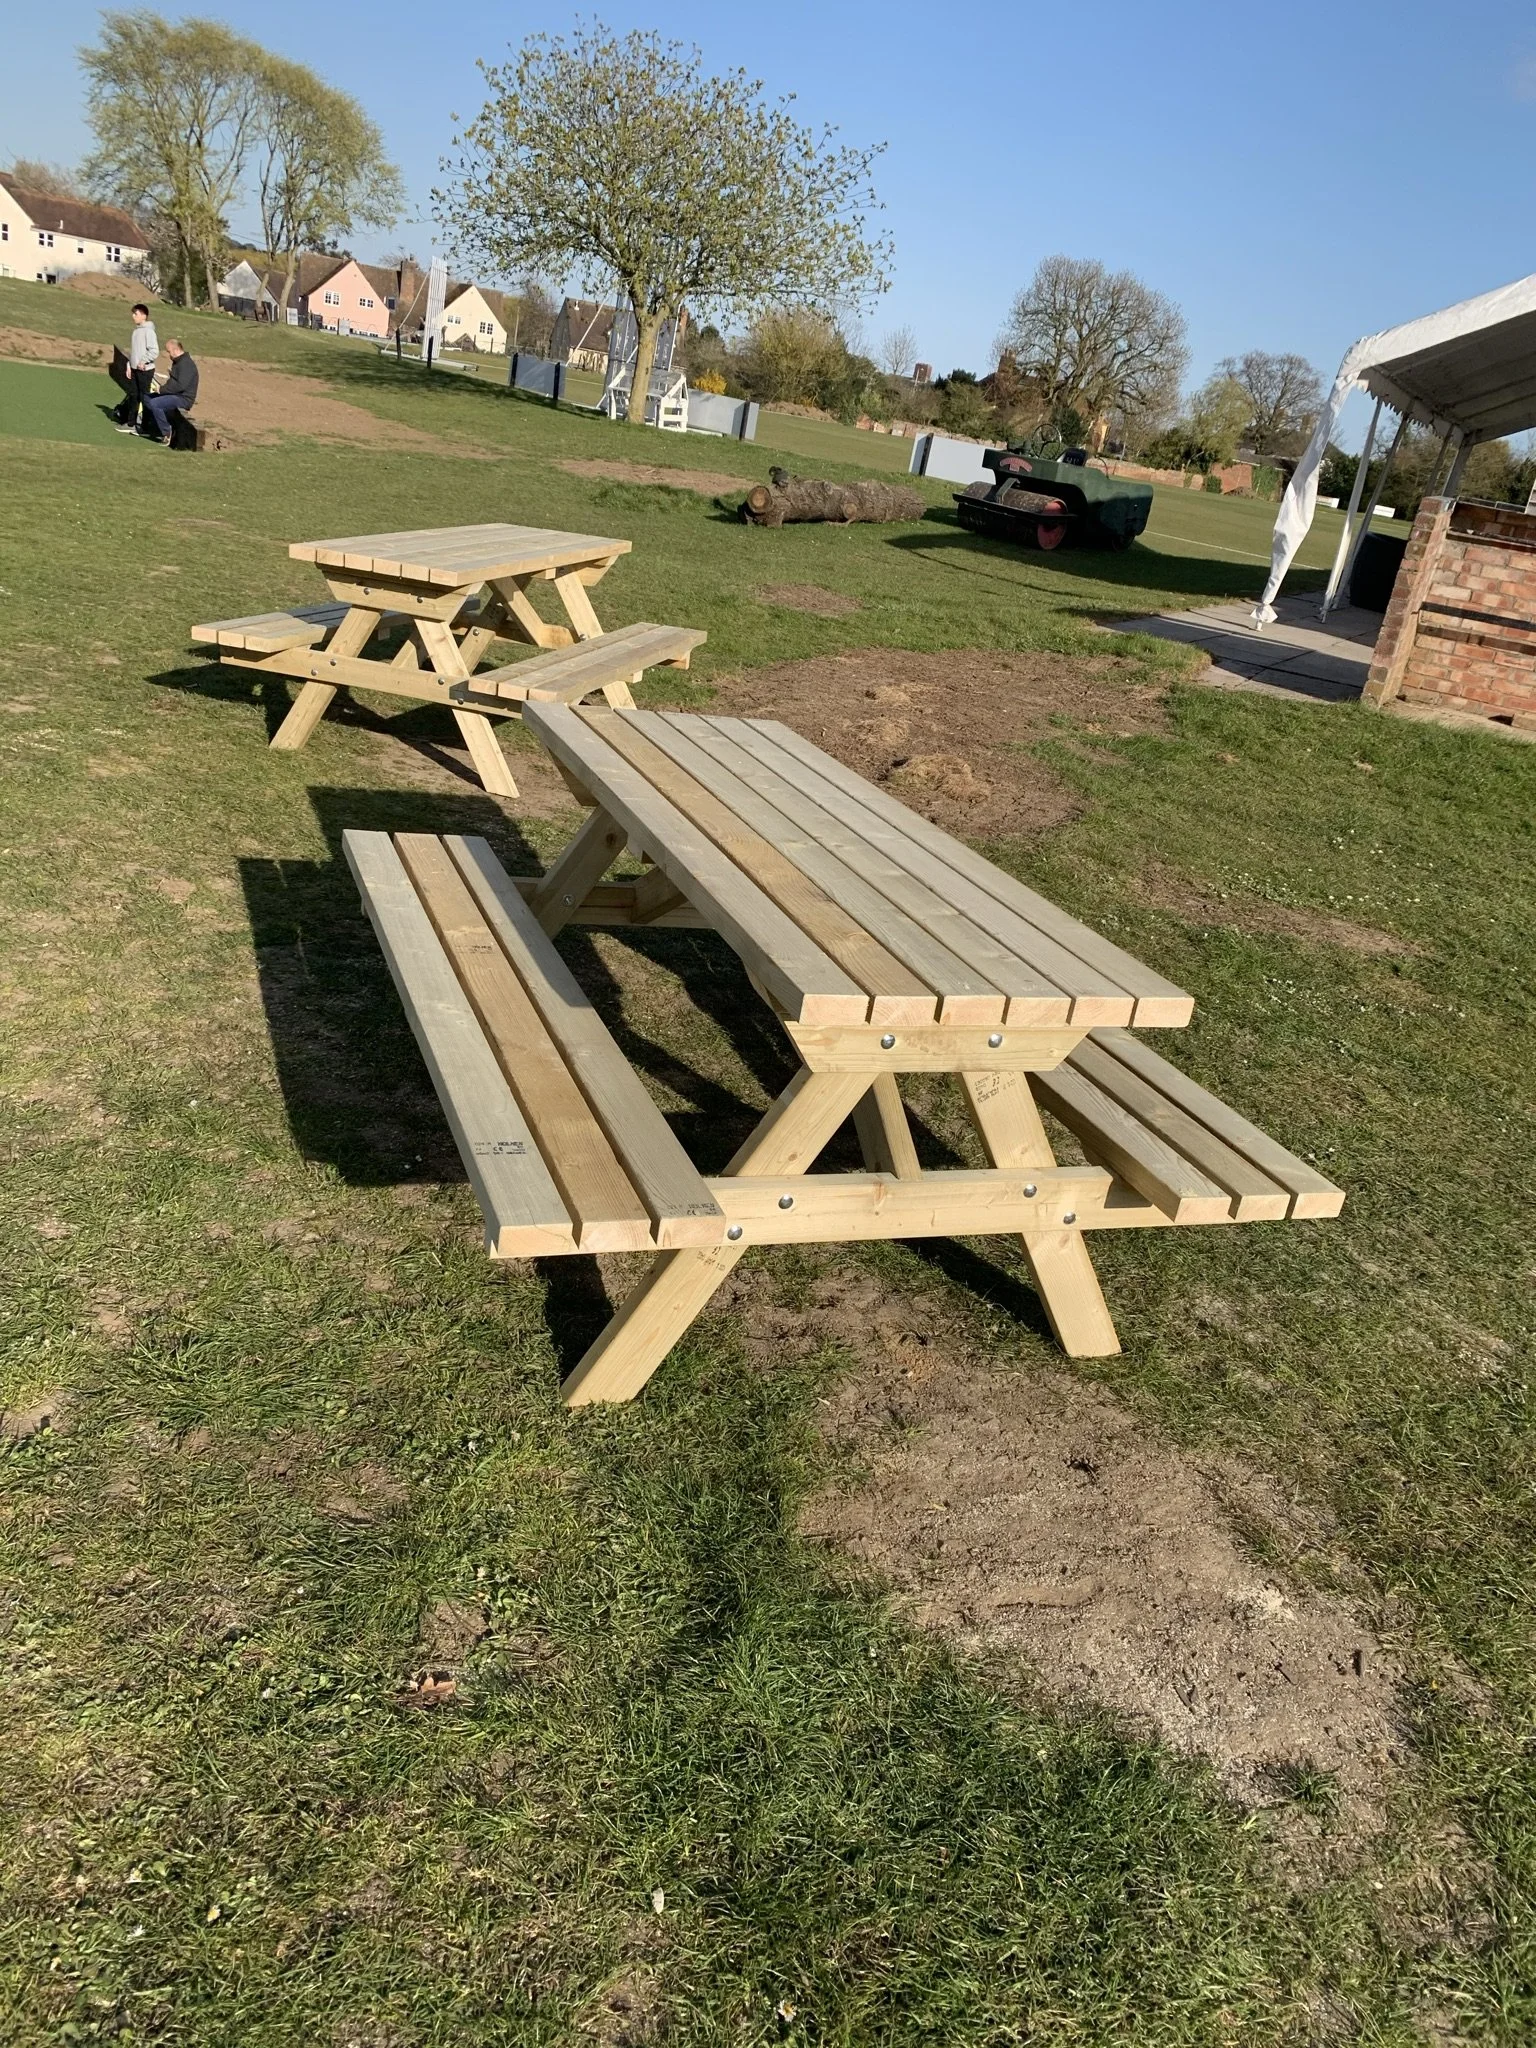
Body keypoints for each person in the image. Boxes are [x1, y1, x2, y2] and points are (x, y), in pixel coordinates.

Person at [113, 303, 158, 435]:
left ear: (144, 316)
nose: (133, 316)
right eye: (133, 314)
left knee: (145, 398)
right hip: (134, 370)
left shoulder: (149, 332)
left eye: (136, 314)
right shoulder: (136, 332)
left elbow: (154, 351)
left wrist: (143, 361)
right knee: (133, 396)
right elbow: (135, 352)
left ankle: (144, 427)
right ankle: (131, 423)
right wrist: (129, 365)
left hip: (145, 371)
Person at [145, 340, 198, 446]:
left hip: (183, 399)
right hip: (175, 395)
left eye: (169, 351)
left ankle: (166, 432)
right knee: (146, 397)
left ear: (176, 350)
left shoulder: (186, 364)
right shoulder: (179, 362)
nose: (168, 355)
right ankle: (155, 425)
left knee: (155, 403)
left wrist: (161, 390)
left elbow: (180, 386)